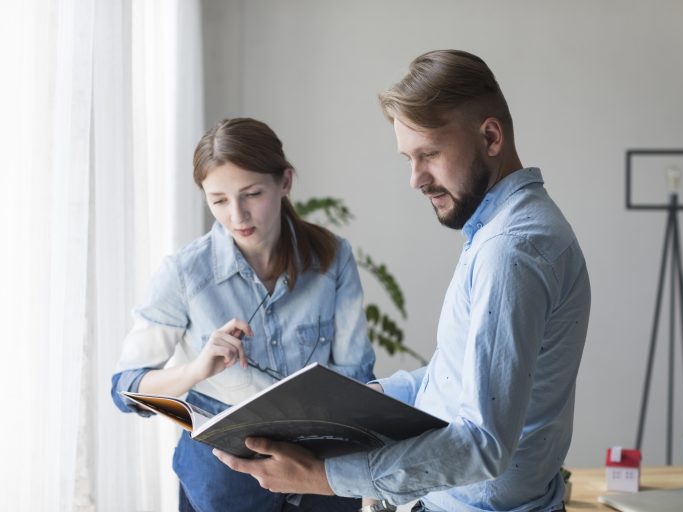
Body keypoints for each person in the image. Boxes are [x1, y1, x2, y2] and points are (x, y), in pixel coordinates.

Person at [215, 50, 591, 512]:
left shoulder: (510, 250)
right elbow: (453, 382)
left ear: (490, 137)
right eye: (408, 158)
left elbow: (481, 444)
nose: (415, 179)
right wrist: (358, 399)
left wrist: (326, 477)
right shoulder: (505, 232)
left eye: (429, 154)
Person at [111, 117, 375, 512]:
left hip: (322, 478)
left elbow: (356, 377)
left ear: (284, 182)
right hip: (224, 487)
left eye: (251, 194)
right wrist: (197, 370)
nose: (237, 215)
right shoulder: (184, 273)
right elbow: (125, 388)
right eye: (218, 200)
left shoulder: (332, 257)